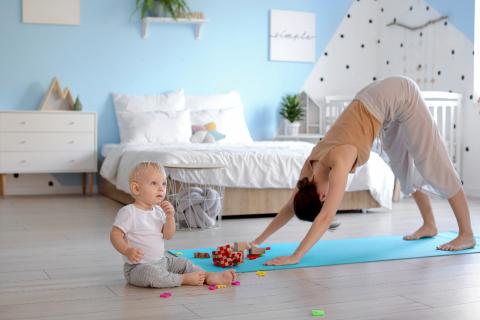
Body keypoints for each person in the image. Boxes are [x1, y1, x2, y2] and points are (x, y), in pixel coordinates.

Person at [251, 76, 476, 266]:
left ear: (322, 196)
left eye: (325, 199)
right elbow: (292, 204)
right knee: (401, 166)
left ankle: (466, 234)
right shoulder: (312, 164)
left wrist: (296, 256)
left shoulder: (339, 161)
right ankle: (430, 224)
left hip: (400, 94)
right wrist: (257, 241)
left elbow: (326, 216)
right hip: (379, 103)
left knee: (433, 164)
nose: (329, 198)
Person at [110, 162, 236, 287]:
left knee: (184, 263)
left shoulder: (159, 211)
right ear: (136, 188)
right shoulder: (129, 212)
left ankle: (209, 276)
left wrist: (170, 217)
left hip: (162, 262)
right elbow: (115, 235)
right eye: (154, 183)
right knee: (151, 274)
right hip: (137, 267)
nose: (161, 188)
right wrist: (127, 250)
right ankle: (183, 279)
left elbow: (168, 235)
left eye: (164, 184)